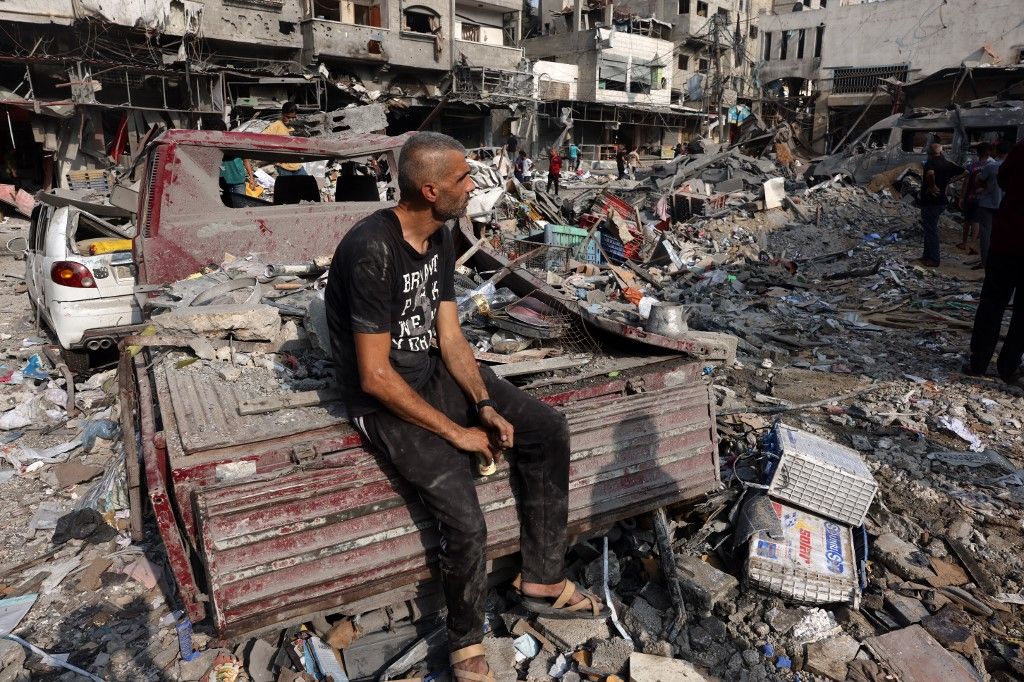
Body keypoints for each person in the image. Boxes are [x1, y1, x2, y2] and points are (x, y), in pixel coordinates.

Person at [324, 132, 608, 682]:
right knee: (466, 522)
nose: (473, 184)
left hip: (430, 369)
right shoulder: (371, 250)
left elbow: (450, 335)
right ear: (430, 189)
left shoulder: (443, 235)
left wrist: (482, 404)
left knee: (547, 429)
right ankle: (465, 645)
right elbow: (375, 376)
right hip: (382, 398)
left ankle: (543, 580)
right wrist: (457, 436)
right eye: (462, 178)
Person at [965, 138, 1024, 384]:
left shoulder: (1020, 149)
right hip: (1009, 241)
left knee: (991, 305)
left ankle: (979, 361)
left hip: (1007, 242)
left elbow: (1003, 180)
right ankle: (1009, 365)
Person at [918, 143, 965, 267]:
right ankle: (926, 255)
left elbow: (930, 174)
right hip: (941, 201)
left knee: (931, 230)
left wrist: (932, 186)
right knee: (929, 228)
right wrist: (950, 181)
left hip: (930, 201)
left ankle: (934, 259)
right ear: (942, 152)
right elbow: (966, 172)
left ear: (929, 153)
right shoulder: (948, 164)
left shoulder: (930, 163)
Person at [975, 141, 1010, 267]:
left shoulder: (991, 166)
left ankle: (986, 263)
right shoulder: (1013, 167)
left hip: (987, 204)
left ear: (997, 152)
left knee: (986, 234)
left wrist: (982, 187)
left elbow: (979, 179)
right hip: (1005, 206)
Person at [209, 118, 256, 197]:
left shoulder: (235, 142)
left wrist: (251, 178)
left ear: (224, 131)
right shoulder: (212, 145)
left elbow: (245, 160)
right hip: (223, 182)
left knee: (240, 204)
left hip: (238, 181)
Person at [958, 143, 991, 252]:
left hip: (969, 197)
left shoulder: (972, 164)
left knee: (967, 220)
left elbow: (965, 181)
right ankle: (972, 244)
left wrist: (962, 197)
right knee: (976, 221)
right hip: (982, 198)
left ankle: (963, 243)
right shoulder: (991, 165)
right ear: (988, 152)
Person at [263, 102, 307, 176]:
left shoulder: (295, 127)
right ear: (282, 114)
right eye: (288, 117)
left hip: (297, 165)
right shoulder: (276, 125)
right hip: (283, 166)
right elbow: (262, 138)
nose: (290, 120)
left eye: (293, 118)